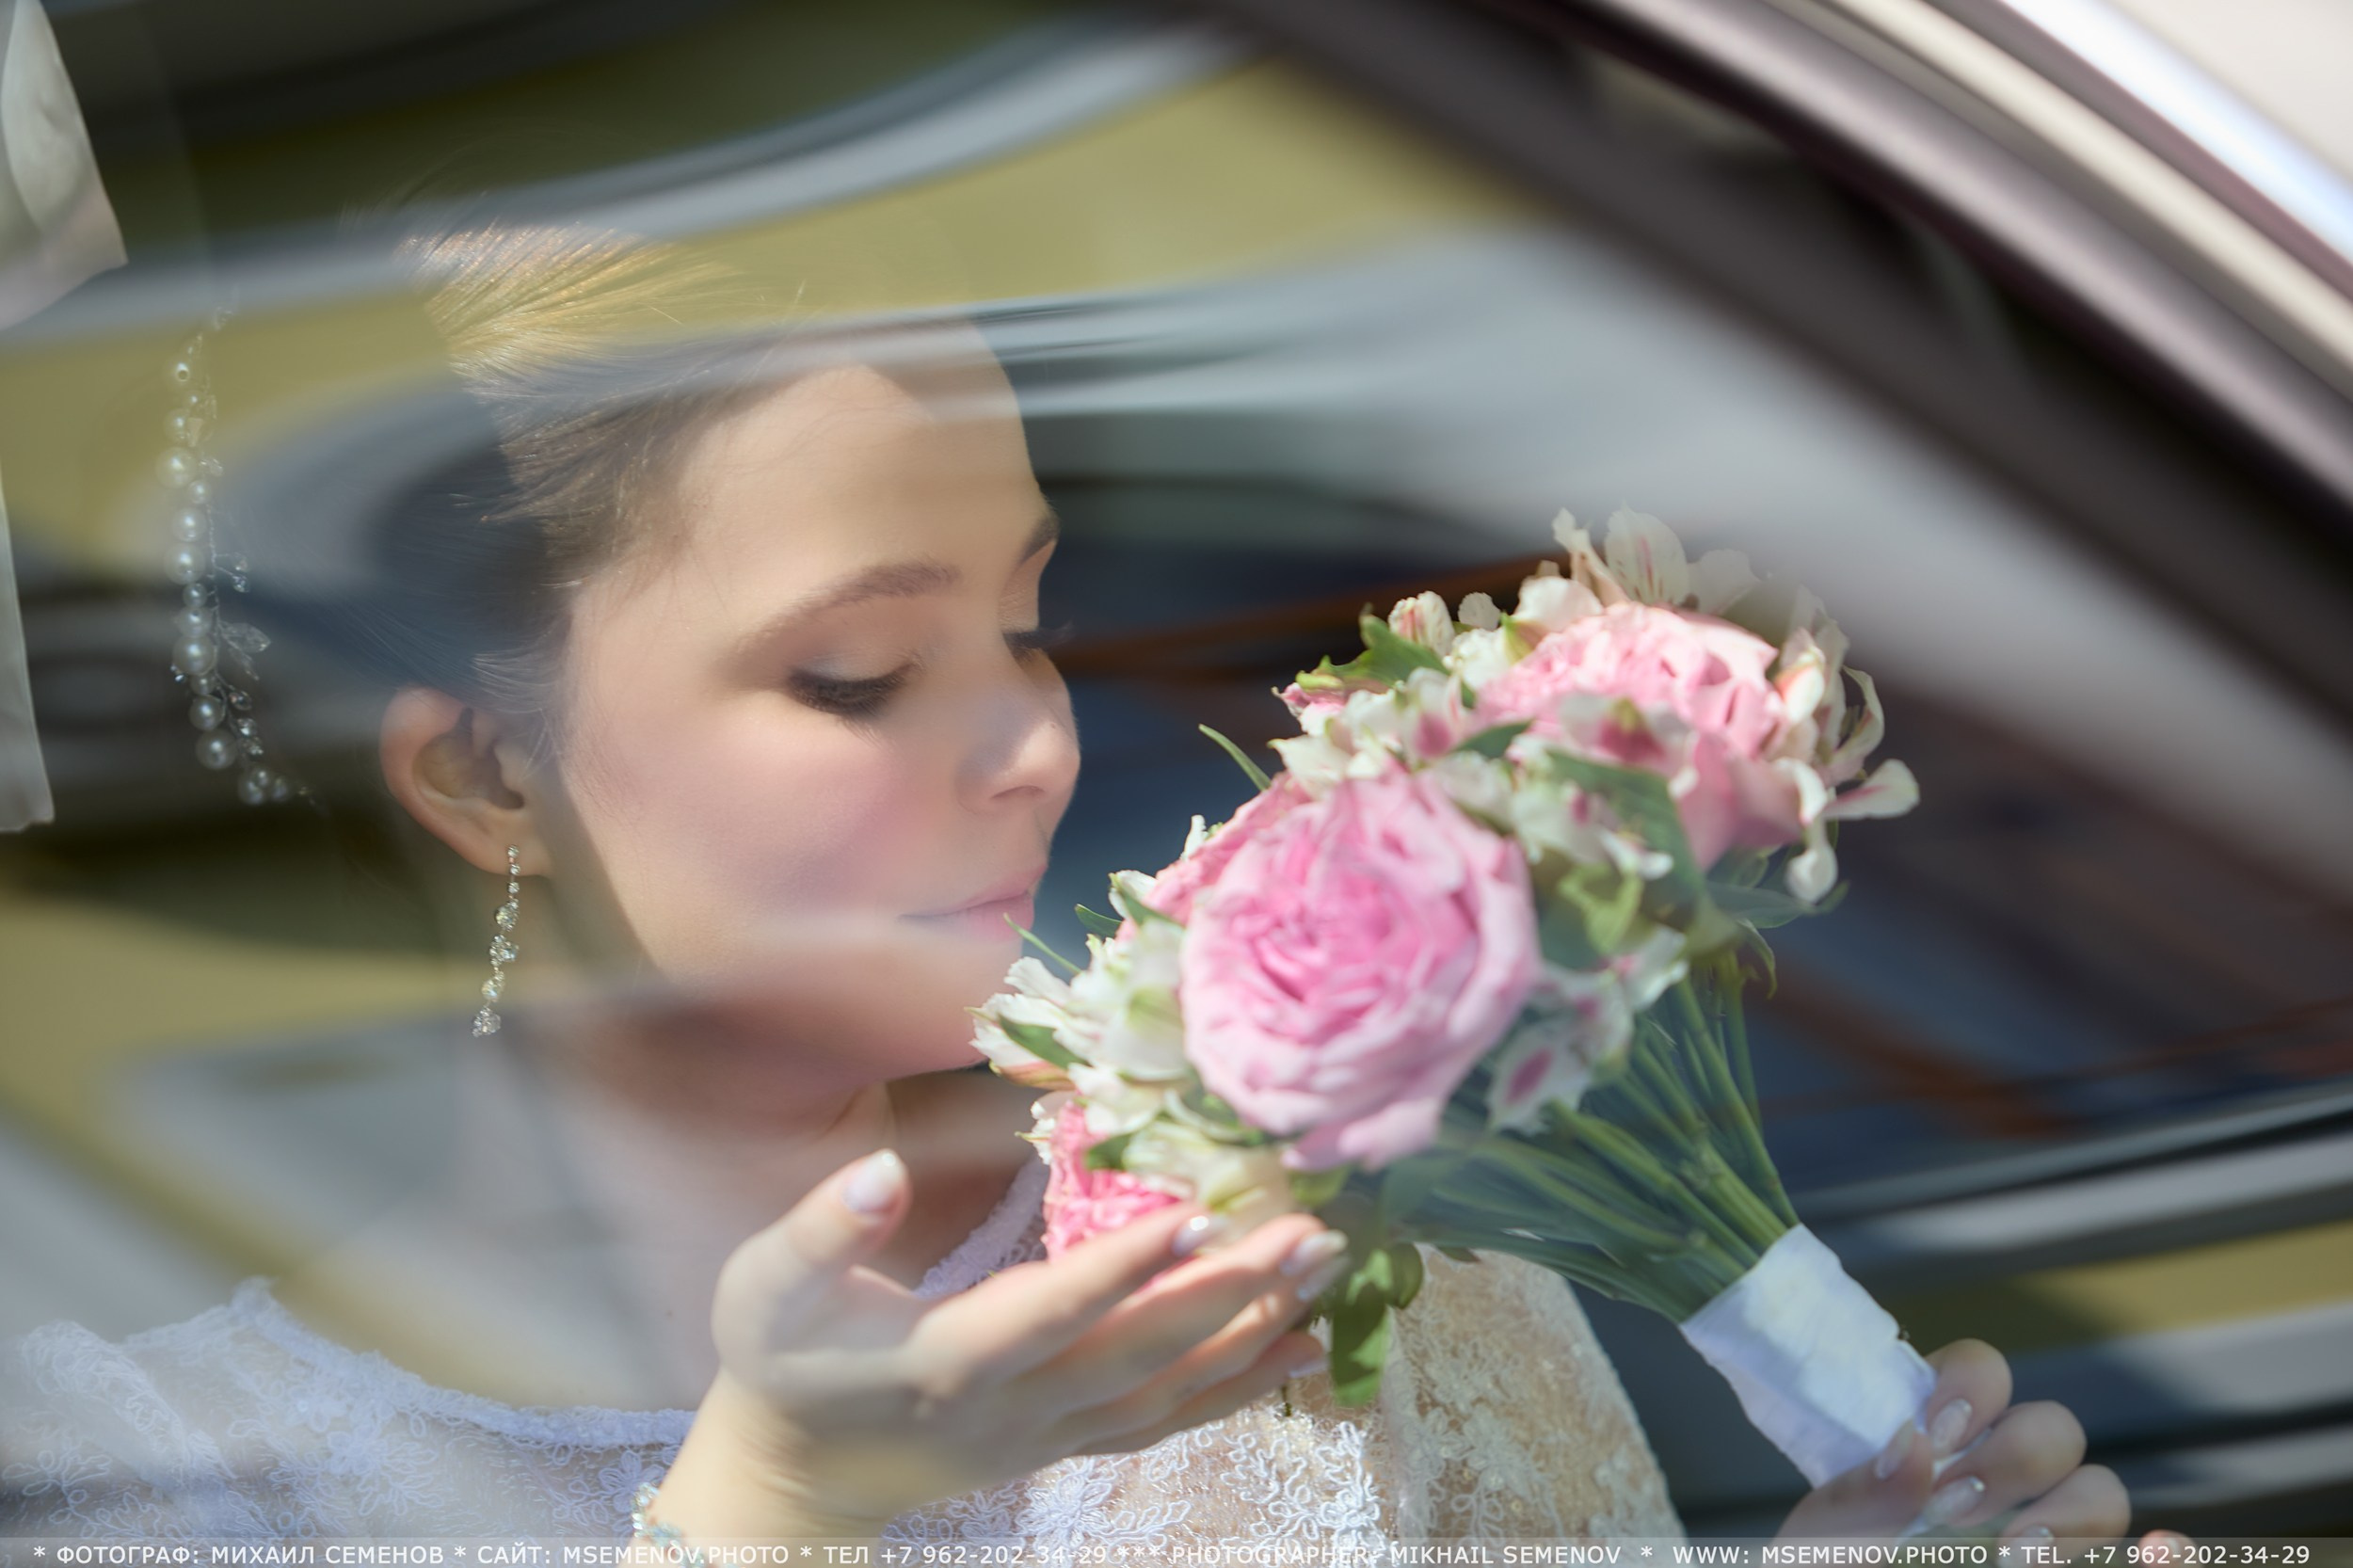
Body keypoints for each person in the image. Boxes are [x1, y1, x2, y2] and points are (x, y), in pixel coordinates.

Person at [0, 222, 2157, 1550]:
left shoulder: (1293, 1222)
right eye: (857, 673)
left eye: (1030, 618)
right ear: (487, 771)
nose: (1034, 743)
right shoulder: (144, 1482)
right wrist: (771, 1501)